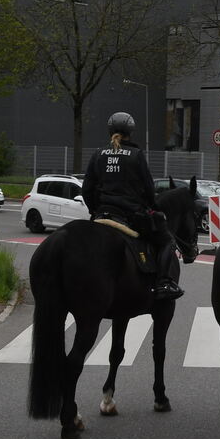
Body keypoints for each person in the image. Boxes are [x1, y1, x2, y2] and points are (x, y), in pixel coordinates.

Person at [81, 111, 183, 302]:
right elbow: (148, 189)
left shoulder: (98, 154)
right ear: (131, 132)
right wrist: (153, 209)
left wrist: (95, 211)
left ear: (110, 131)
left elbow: (86, 190)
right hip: (130, 216)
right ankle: (164, 283)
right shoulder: (136, 155)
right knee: (167, 240)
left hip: (102, 213)